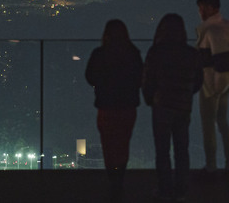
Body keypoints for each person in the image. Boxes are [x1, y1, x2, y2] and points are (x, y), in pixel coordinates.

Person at [143, 14, 203, 202]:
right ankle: (181, 190)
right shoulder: (191, 53)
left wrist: (150, 99)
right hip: (184, 106)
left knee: (162, 149)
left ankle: (165, 189)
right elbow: (198, 82)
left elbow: (148, 80)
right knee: (181, 148)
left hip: (161, 105)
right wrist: (185, 93)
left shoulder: (156, 52)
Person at [85, 19, 143, 202]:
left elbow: (90, 76)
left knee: (109, 143)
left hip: (106, 105)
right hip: (127, 106)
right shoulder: (133, 53)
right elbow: (140, 77)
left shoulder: (100, 54)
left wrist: (101, 84)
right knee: (123, 142)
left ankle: (113, 177)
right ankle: (120, 176)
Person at [195, 0, 229, 176]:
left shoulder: (211, 30)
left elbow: (216, 58)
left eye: (203, 8)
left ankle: (211, 165)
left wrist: (214, 84)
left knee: (208, 124)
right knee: (222, 121)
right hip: (227, 81)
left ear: (213, 8)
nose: (200, 12)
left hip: (212, 82)